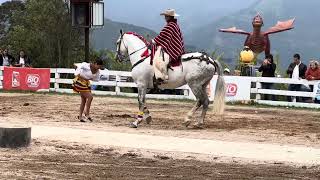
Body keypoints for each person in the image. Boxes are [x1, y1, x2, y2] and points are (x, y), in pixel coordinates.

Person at [151, 9, 185, 81]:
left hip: (173, 48)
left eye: (166, 16)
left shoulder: (170, 26)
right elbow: (164, 36)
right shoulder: (174, 24)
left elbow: (162, 36)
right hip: (176, 47)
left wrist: (154, 41)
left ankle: (163, 76)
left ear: (169, 17)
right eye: (165, 16)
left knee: (159, 57)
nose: (165, 18)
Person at [72, 58, 103, 122]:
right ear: (95, 64)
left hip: (86, 83)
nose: (99, 68)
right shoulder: (87, 65)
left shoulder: (97, 71)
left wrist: (90, 78)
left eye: (100, 67)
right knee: (90, 97)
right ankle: (87, 113)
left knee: (84, 100)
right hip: (79, 81)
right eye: (99, 66)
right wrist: (77, 70)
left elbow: (96, 79)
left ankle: (80, 116)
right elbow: (77, 65)